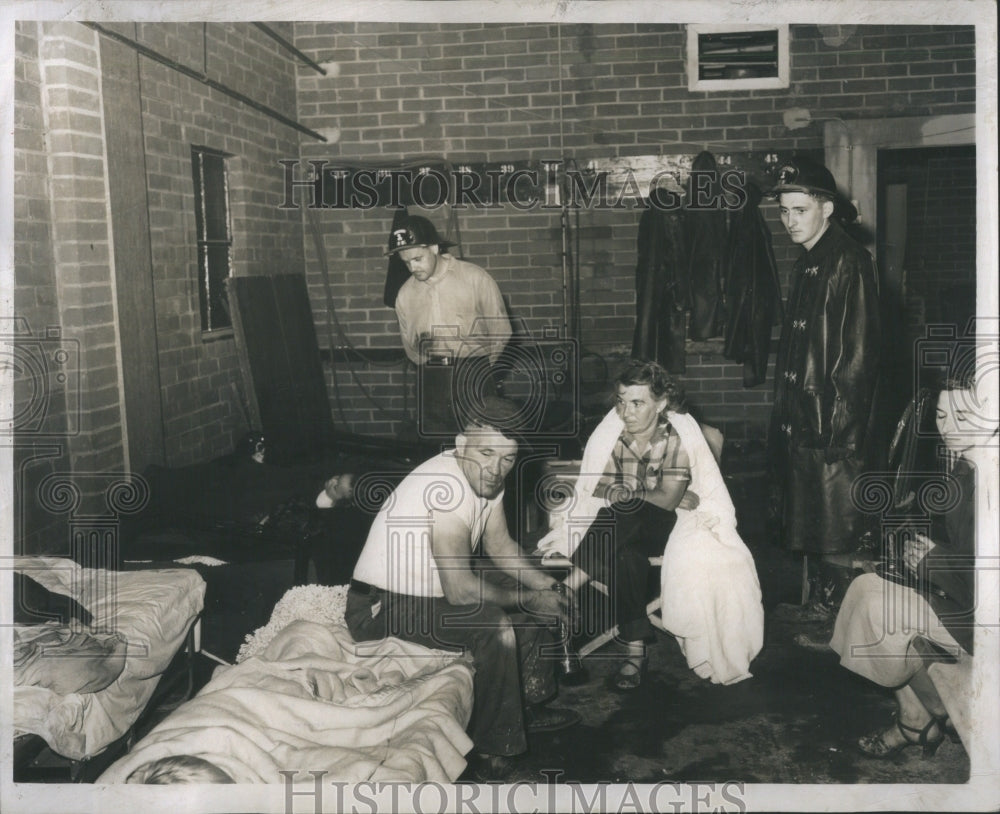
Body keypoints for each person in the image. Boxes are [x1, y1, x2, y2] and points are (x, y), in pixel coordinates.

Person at [345, 396, 579, 771]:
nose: (496, 468)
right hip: (380, 608)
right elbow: (460, 590)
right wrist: (530, 600)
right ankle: (493, 744)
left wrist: (547, 587)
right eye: (486, 452)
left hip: (428, 592)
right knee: (495, 625)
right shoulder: (446, 487)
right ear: (460, 444)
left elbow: (501, 548)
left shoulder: (488, 482)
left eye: (507, 458)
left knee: (527, 589)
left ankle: (527, 706)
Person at [538, 360, 762, 688]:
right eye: (621, 401)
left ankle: (566, 588)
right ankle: (634, 653)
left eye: (637, 403)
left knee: (626, 509)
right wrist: (651, 492)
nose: (626, 412)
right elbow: (600, 488)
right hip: (624, 531)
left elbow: (670, 502)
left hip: (671, 528)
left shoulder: (676, 437)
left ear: (660, 404)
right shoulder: (618, 436)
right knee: (626, 553)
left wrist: (637, 491)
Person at [830, 370, 994, 756]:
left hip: (985, 620)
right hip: (963, 599)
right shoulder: (968, 465)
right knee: (865, 589)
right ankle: (915, 716)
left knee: (878, 610)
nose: (948, 428)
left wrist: (935, 562)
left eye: (963, 416)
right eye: (940, 416)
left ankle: (946, 714)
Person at [767, 156, 882, 612]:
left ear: (827, 209)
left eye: (800, 210)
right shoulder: (811, 258)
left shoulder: (849, 261)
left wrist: (841, 432)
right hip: (805, 416)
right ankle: (822, 610)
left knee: (836, 525)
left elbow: (859, 355)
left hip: (830, 423)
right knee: (814, 522)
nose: (790, 221)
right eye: (784, 211)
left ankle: (836, 620)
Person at [388, 214, 512, 436]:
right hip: (432, 380)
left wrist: (481, 370)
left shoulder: (475, 278)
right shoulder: (405, 295)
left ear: (434, 248)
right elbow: (411, 348)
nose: (412, 267)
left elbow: (501, 332)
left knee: (480, 444)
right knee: (436, 449)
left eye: (417, 258)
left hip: (474, 374)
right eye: (406, 262)